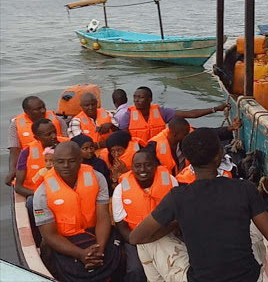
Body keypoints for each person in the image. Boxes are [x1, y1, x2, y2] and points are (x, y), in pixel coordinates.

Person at [130, 128, 268, 282]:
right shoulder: (243, 189)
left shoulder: (177, 197)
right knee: (255, 222)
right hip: (250, 278)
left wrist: (178, 222)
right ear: (219, 156)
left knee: (146, 244)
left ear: (188, 161)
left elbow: (136, 237)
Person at [33, 142, 122, 282]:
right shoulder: (42, 194)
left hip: (95, 235)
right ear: (53, 162)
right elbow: (49, 235)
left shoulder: (97, 178)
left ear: (80, 160)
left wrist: (100, 249)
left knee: (120, 256)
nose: (66, 166)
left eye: (71, 161)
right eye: (60, 162)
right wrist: (81, 254)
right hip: (64, 240)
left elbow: (103, 217)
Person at [112, 149, 178, 282]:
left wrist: (157, 239)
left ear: (155, 165)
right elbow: (121, 225)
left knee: (174, 268)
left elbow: (177, 217)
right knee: (135, 270)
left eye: (148, 165)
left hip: (166, 235)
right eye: (137, 166)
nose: (143, 169)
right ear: (132, 167)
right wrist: (140, 242)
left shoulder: (170, 182)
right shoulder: (121, 189)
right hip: (135, 239)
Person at [118, 86, 228, 142]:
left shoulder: (160, 112)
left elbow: (190, 114)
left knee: (191, 130)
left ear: (150, 99)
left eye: (141, 97)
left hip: (159, 149)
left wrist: (216, 109)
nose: (136, 100)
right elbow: (123, 138)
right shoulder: (128, 115)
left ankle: (226, 131)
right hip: (139, 152)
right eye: (135, 97)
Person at [5, 96, 67, 186]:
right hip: (32, 162)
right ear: (27, 112)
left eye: (43, 107)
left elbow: (67, 141)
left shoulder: (58, 120)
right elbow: (15, 150)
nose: (43, 110)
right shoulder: (16, 125)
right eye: (37, 109)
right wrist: (12, 169)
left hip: (58, 160)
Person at [15, 119, 68, 198]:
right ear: (37, 138)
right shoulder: (27, 152)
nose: (54, 136)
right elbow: (18, 187)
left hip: (66, 191)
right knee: (30, 202)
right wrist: (41, 195)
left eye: (54, 132)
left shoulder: (69, 145)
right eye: (48, 134)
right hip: (39, 194)